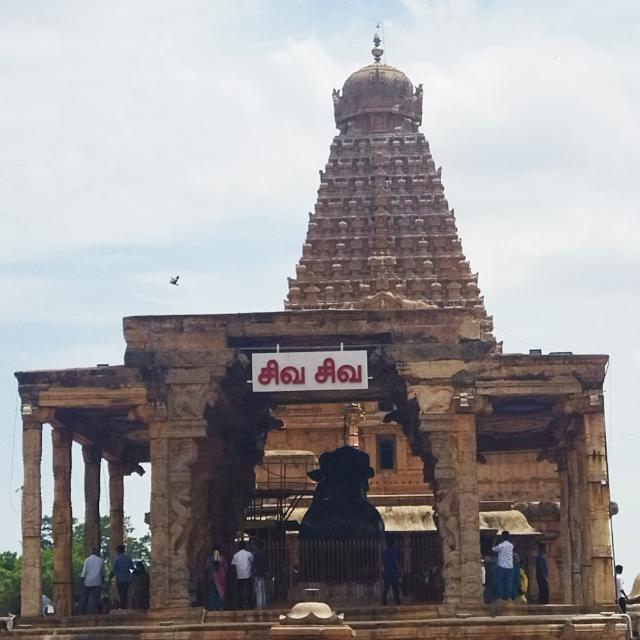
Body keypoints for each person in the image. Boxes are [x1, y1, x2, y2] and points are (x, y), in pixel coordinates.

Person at [80, 548, 104, 614]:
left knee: (85, 598)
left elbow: (83, 573)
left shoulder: (87, 560)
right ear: (97, 552)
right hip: (97, 582)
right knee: (95, 599)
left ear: (91, 552)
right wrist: (102, 582)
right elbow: (102, 573)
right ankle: (95, 613)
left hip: (88, 582)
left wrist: (82, 583)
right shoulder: (101, 560)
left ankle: (82, 612)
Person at [109, 544, 134, 609]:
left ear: (118, 551)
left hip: (119, 579)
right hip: (127, 579)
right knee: (125, 593)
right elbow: (132, 569)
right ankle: (124, 606)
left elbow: (113, 570)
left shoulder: (116, 559)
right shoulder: (128, 559)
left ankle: (122, 606)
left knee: (121, 593)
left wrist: (110, 579)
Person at [492, 531, 514, 601]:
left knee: (500, 582)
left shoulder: (501, 546)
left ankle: (500, 597)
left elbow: (493, 549)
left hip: (502, 566)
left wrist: (494, 541)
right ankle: (509, 597)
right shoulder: (511, 545)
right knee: (509, 582)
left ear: (502, 537)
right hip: (510, 566)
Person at [231, 541, 254, 610]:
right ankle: (250, 605)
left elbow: (233, 565)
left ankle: (239, 605)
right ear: (245, 546)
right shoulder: (248, 554)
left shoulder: (235, 555)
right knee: (249, 590)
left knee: (239, 591)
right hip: (248, 574)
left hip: (239, 575)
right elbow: (252, 561)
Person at [206, 546, 228, 611]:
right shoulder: (222, 559)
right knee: (220, 592)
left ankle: (214, 606)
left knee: (213, 592)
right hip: (221, 578)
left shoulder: (209, 559)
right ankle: (220, 606)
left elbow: (206, 568)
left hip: (212, 577)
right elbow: (226, 568)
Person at [382, 537, 401, 606]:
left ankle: (384, 600)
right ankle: (398, 601)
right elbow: (395, 562)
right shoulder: (394, 551)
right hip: (393, 573)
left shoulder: (385, 551)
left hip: (387, 572)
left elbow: (383, 562)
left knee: (386, 588)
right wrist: (399, 569)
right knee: (395, 588)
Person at [252, 541, 267, 610]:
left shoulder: (256, 554)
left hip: (257, 573)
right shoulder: (264, 554)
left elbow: (254, 563)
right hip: (262, 573)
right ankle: (263, 604)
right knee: (263, 589)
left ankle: (259, 605)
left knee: (258, 590)